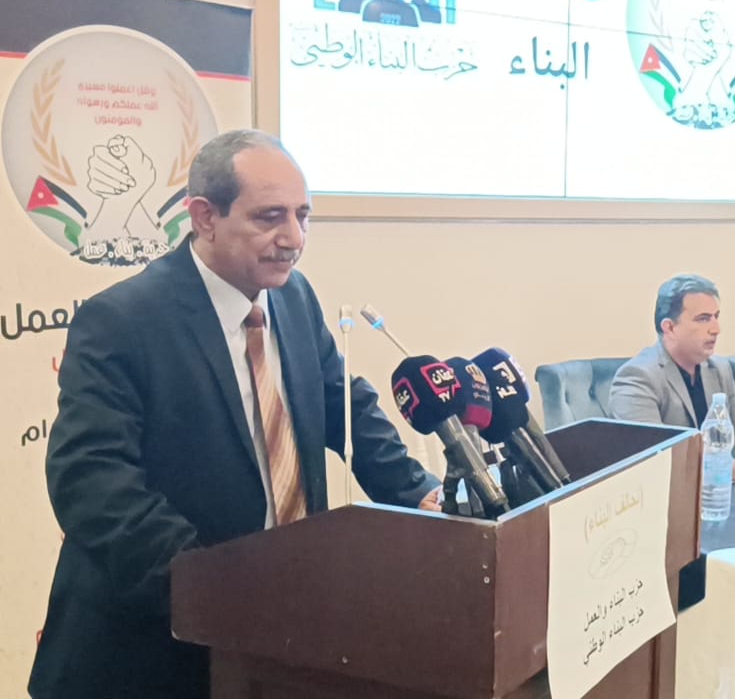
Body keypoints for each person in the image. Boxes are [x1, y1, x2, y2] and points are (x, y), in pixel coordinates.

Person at [29, 129, 442, 699]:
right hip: (151, 652)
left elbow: (343, 404)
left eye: (302, 216)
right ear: (204, 216)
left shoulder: (294, 297)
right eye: (270, 217)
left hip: (275, 639)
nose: (293, 239)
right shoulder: (122, 321)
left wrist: (420, 493)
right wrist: (210, 586)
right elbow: (91, 481)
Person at [610, 274, 735, 482]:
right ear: (669, 327)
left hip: (720, 493)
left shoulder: (718, 369)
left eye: (716, 317)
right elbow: (656, 460)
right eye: (703, 319)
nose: (716, 329)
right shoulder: (637, 378)